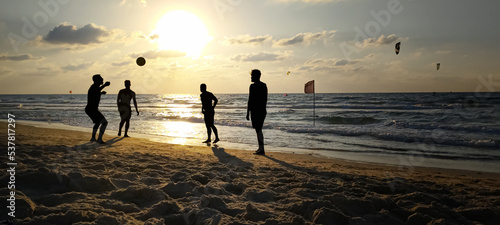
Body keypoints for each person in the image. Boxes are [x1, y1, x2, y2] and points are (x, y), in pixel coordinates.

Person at [246, 69, 268, 155]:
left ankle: (261, 148)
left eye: (252, 76)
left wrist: (248, 112)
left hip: (256, 111)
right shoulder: (263, 85)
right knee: (258, 129)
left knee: (258, 129)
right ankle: (260, 147)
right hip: (260, 110)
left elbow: (250, 100)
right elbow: (264, 99)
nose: (251, 78)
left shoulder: (253, 86)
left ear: (256, 76)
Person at [85, 74, 110, 144]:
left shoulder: (94, 87)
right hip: (92, 109)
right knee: (104, 122)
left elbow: (95, 93)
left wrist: (101, 93)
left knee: (98, 122)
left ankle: (93, 138)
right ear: (97, 80)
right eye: (101, 78)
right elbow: (96, 90)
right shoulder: (94, 87)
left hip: (90, 109)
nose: (102, 79)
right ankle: (99, 139)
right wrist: (104, 85)